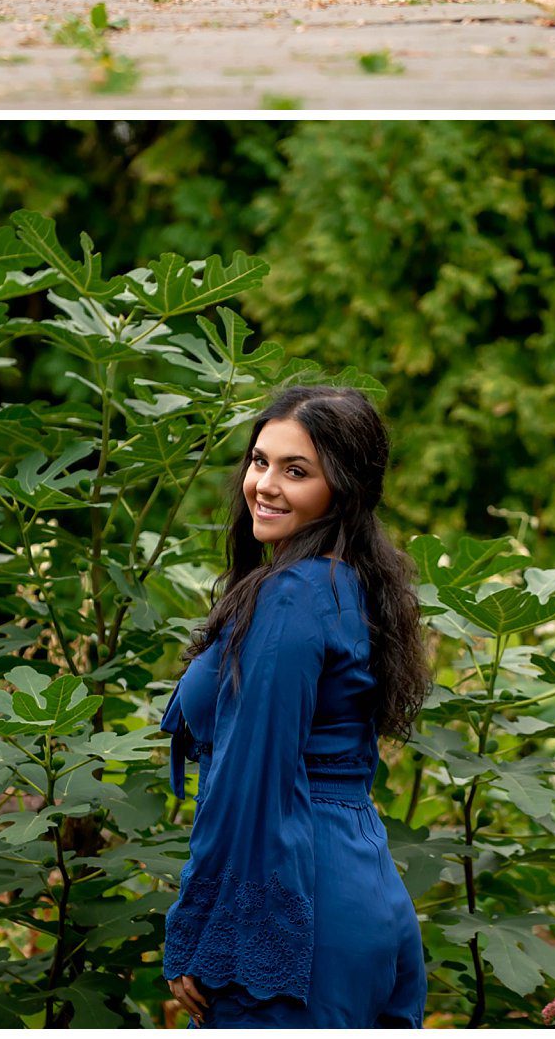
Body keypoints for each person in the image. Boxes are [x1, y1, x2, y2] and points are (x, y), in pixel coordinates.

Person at [160, 388, 430, 1029]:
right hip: (359, 886)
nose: (266, 486)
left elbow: (252, 781)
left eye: (297, 471)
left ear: (345, 488)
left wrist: (195, 929)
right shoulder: (348, 583)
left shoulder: (293, 596)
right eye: (260, 462)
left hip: (296, 910)